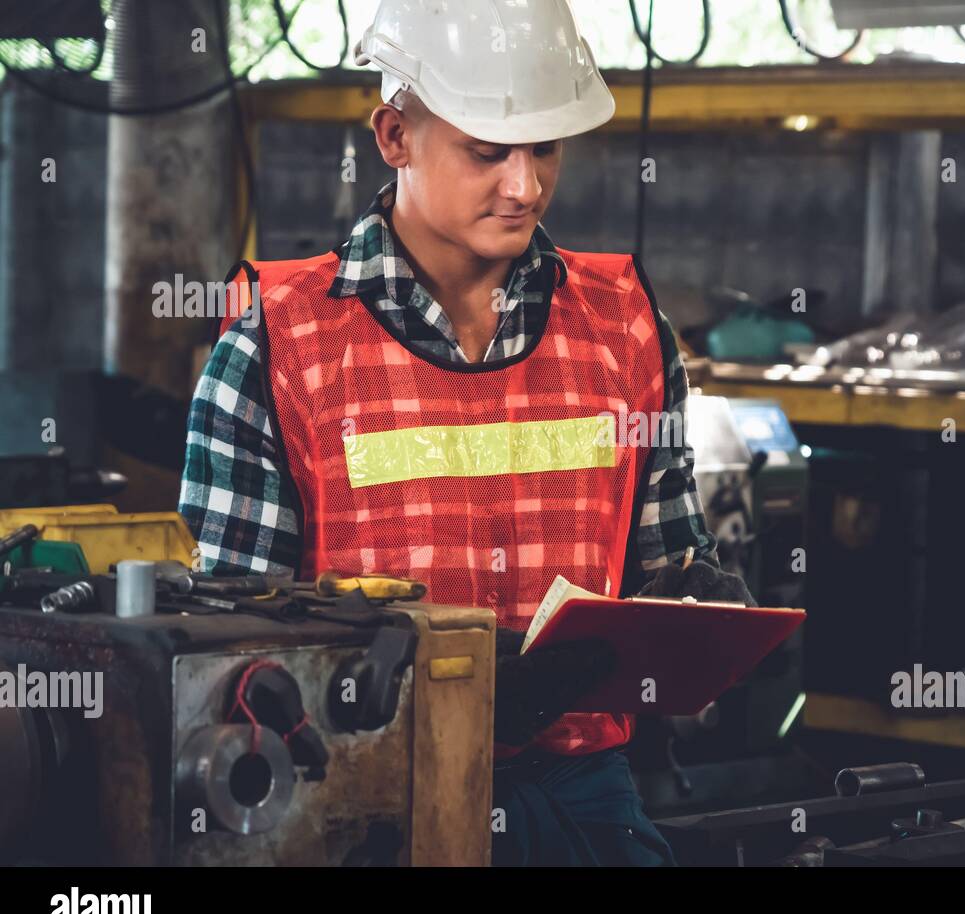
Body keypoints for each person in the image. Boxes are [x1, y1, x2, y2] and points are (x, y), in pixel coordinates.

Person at [179, 0, 753, 866]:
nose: (524, 186)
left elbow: (661, 562)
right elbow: (232, 664)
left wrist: (696, 603)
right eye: (487, 151)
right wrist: (443, 684)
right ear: (394, 134)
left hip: (583, 799)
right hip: (362, 795)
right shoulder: (278, 345)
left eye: (545, 149)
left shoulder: (626, 328)